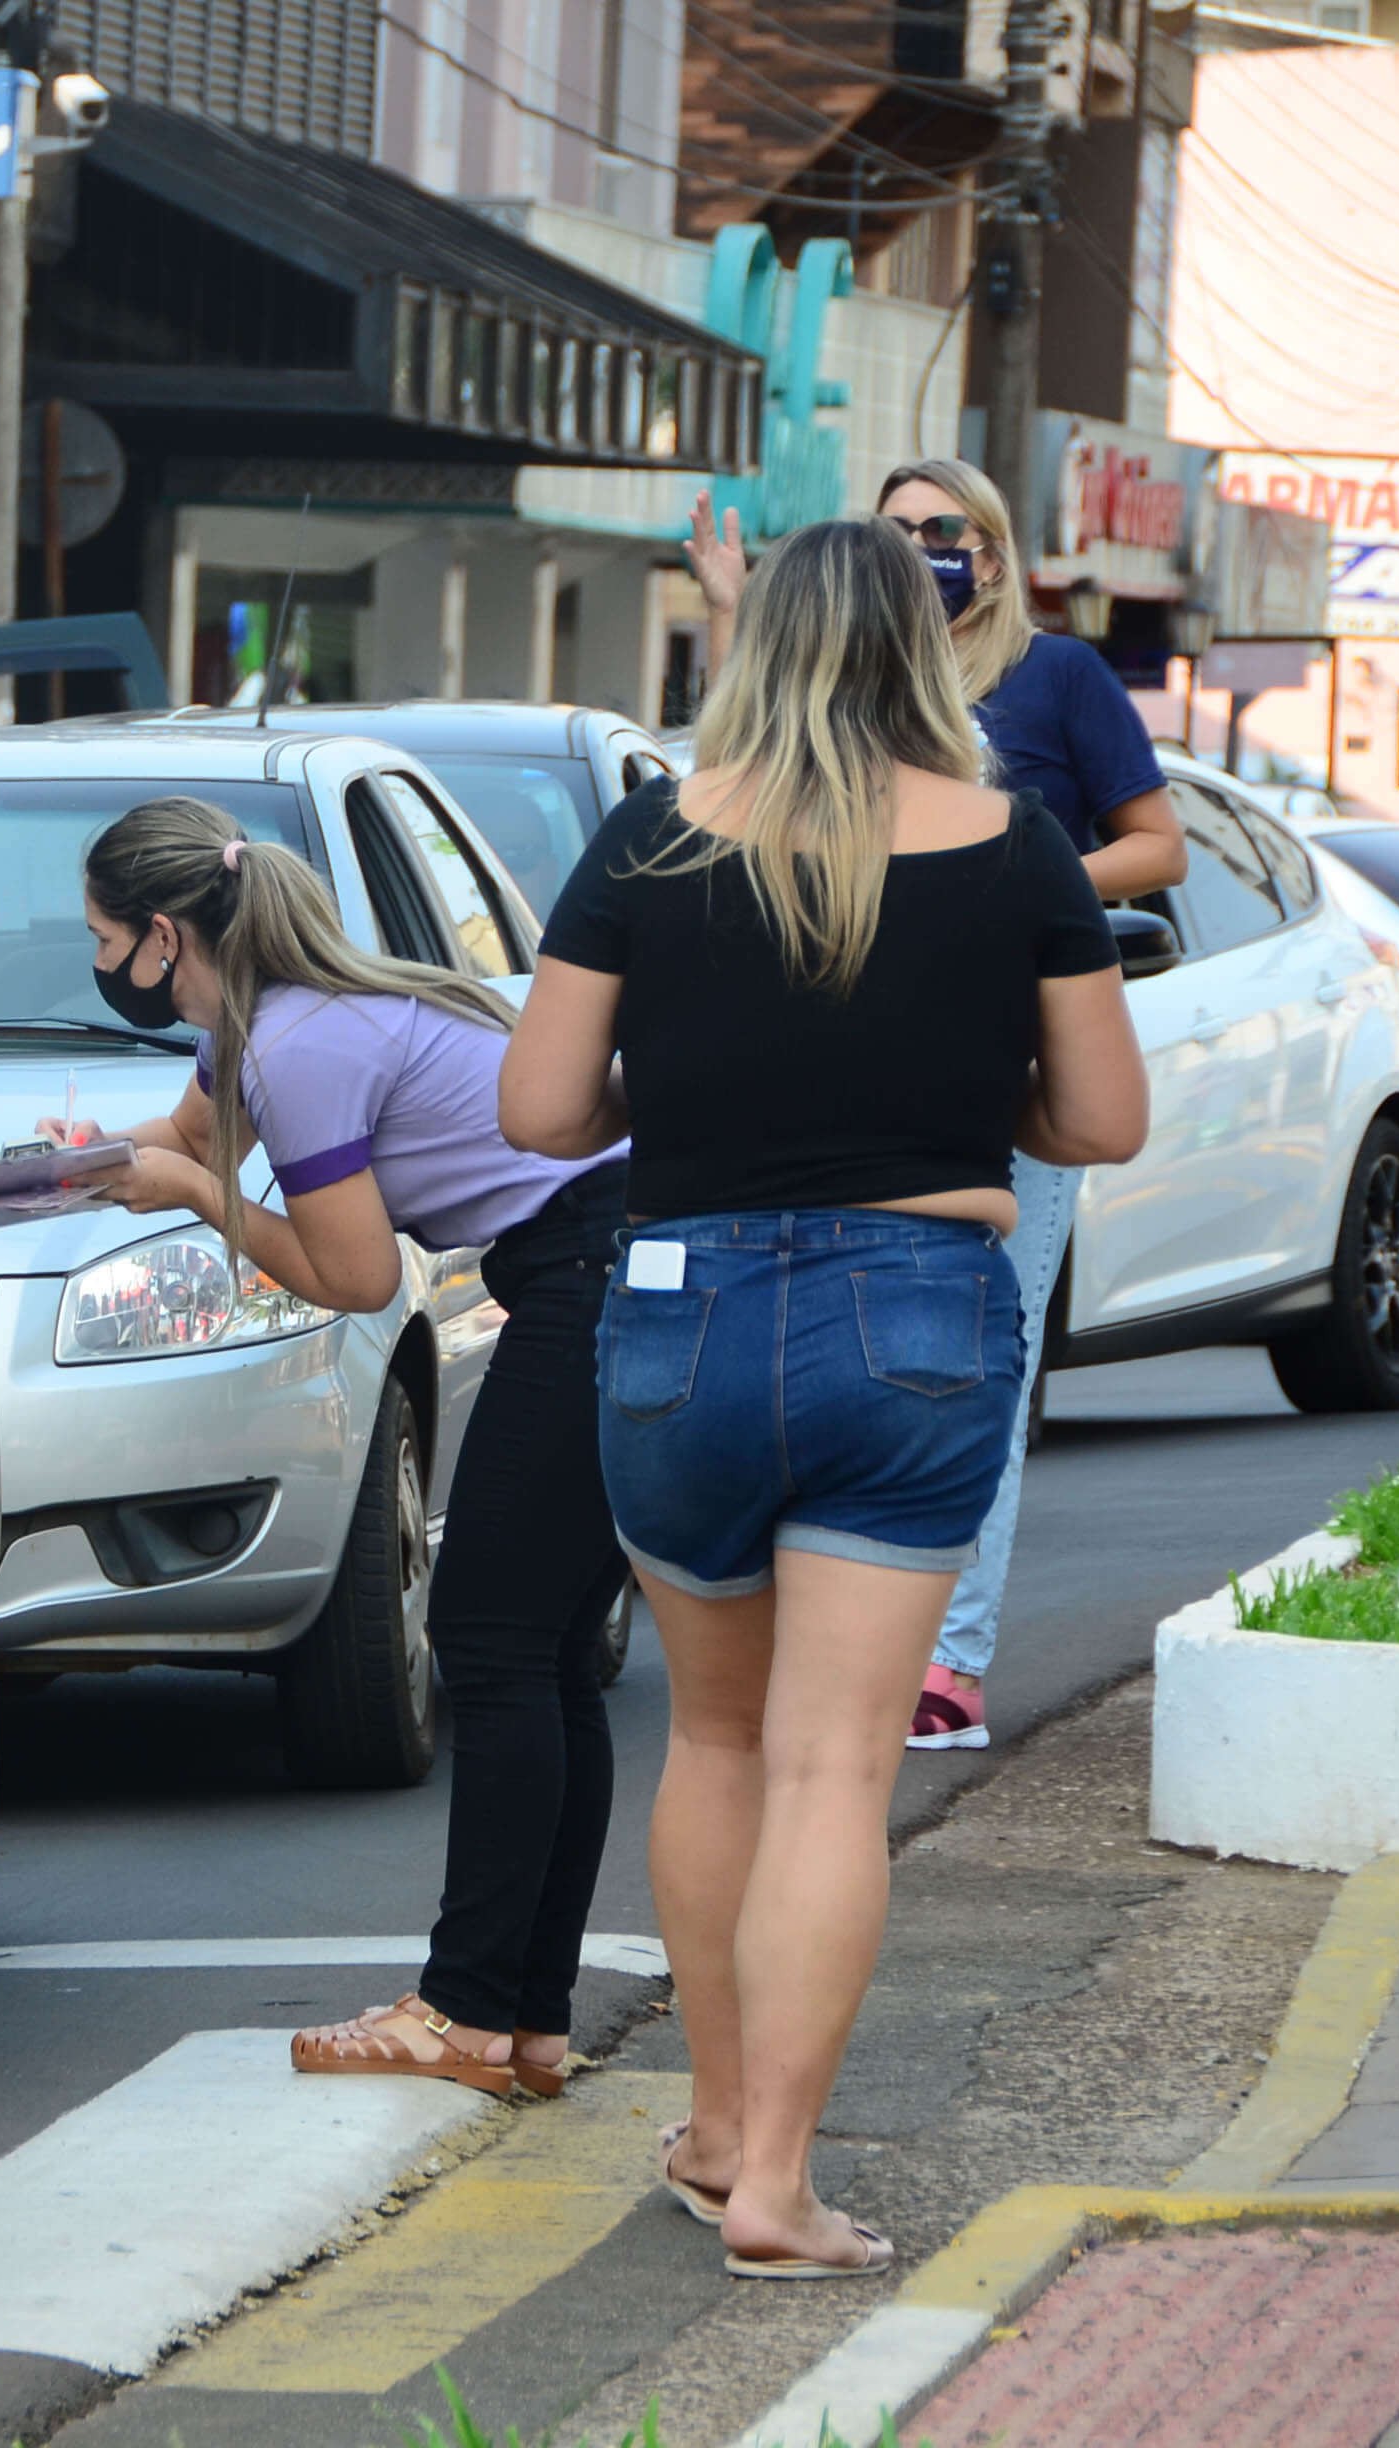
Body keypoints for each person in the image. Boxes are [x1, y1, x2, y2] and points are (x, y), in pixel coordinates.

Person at [500, 517, 1149, 2277]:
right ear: (925, 657)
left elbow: (541, 1114)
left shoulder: (647, 840)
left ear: (757, 645)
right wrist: (955, 1095)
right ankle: (778, 2181)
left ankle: (712, 2130)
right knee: (833, 1767)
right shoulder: (1019, 849)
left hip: (677, 1318)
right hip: (913, 1314)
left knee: (712, 1739)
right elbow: (1101, 1124)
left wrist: (709, 1088)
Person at [72, 795, 631, 2099]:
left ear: (164, 938)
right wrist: (70, 1167)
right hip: (591, 1267)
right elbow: (188, 1135)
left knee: (494, 1642)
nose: (97, 969)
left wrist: (205, 1202)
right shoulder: (254, 1024)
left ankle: (473, 2009)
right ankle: (519, 2018)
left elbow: (356, 1274)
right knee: (535, 1647)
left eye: (103, 942)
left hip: (593, 1278)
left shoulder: (299, 1043)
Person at [687, 462, 1186, 1754]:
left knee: (974, 1364)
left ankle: (944, 1660)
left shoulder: (1055, 682)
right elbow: (727, 797)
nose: (919, 550)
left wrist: (1022, 881)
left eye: (942, 531)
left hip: (1003, 1081)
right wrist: (730, 611)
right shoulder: (814, 694)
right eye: (893, 532)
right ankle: (841, 1636)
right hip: (825, 1097)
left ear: (997, 549)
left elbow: (1157, 846)